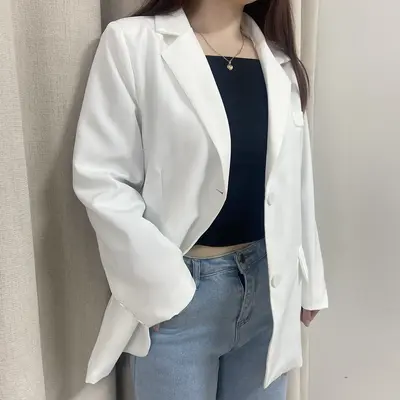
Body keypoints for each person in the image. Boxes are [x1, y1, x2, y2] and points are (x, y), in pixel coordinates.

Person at [72, 0, 328, 399]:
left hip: (270, 290)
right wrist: (160, 288)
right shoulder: (133, 43)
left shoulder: (279, 63)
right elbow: (102, 179)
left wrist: (309, 282)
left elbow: (296, 180)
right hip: (183, 298)